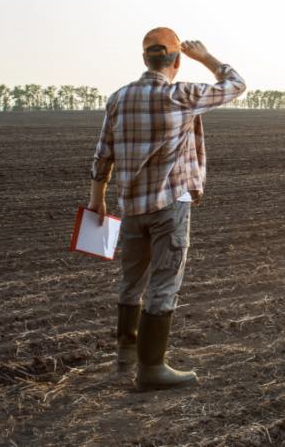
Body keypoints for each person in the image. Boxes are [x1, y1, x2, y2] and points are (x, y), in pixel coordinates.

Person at [87, 27, 245, 390]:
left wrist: (97, 197)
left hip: (131, 208)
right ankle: (151, 369)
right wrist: (206, 57)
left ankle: (126, 353)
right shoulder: (182, 94)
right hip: (170, 205)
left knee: (131, 281)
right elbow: (236, 84)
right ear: (176, 60)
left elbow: (103, 152)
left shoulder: (118, 98)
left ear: (144, 59)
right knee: (163, 283)